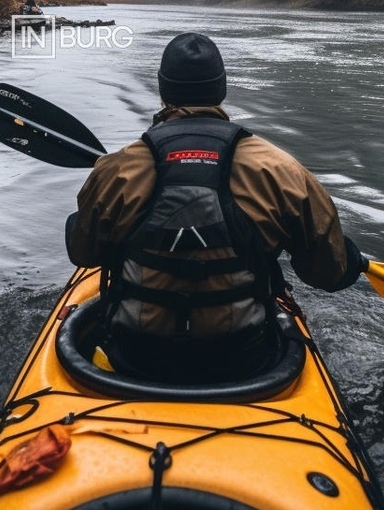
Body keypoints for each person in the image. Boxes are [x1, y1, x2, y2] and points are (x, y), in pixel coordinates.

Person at [65, 32, 366, 384]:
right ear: (221, 90)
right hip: (246, 359)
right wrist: (350, 260)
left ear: (164, 91)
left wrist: (79, 220)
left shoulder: (117, 169)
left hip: (136, 356)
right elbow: (327, 273)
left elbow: (83, 253)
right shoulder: (281, 169)